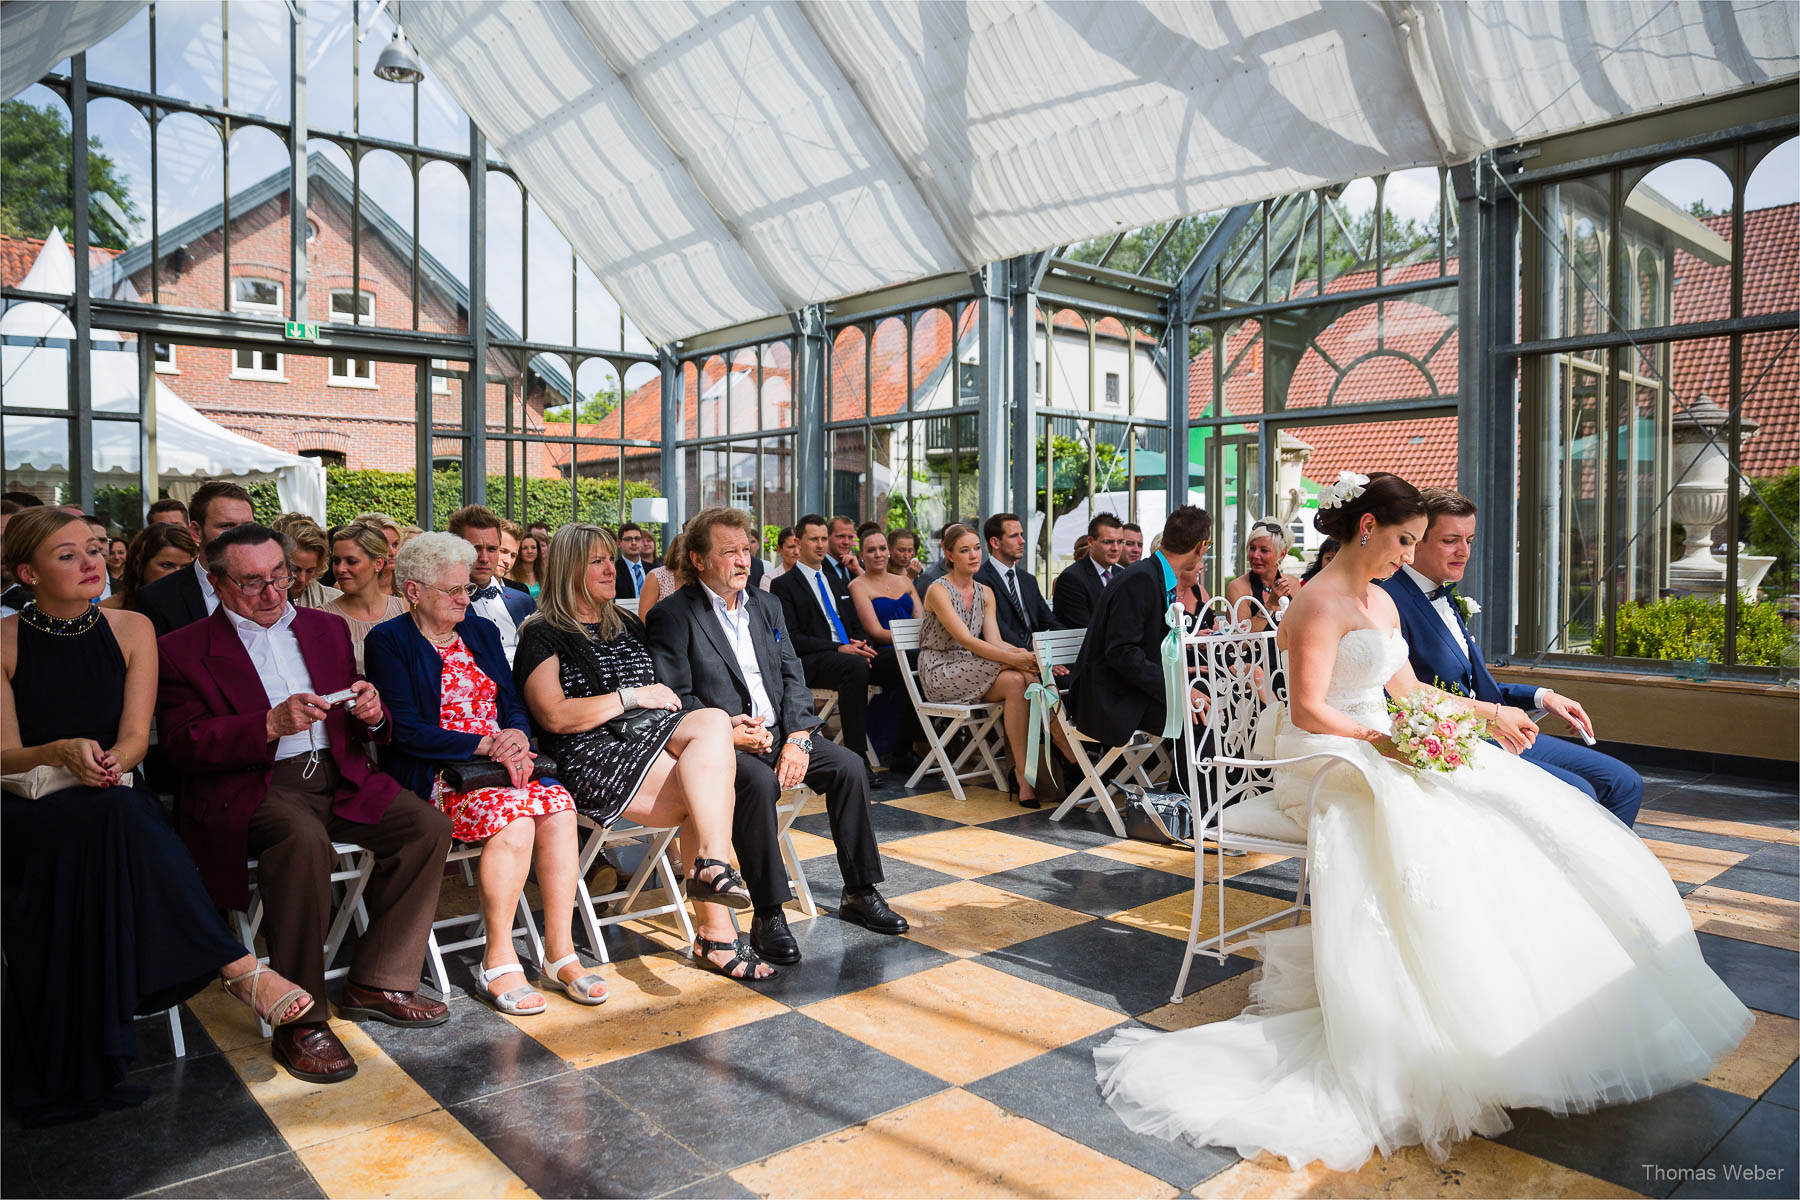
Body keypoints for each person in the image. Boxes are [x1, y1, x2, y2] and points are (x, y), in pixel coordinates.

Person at [1094, 473, 1748, 1172]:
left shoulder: (1380, 602)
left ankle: (1505, 1014)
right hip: (1324, 755)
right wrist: (1384, 743)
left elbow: (1409, 694)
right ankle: (1422, 1020)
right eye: (1404, 541)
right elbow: (1311, 708)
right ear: (1368, 525)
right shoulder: (1318, 601)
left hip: (1381, 736)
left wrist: (1486, 715)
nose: (1406, 556)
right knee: (1431, 819)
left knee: (1511, 807)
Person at [1, 510, 315, 1126]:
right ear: (26, 572)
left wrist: (109, 762)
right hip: (30, 805)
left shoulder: (133, 627)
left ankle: (232, 973)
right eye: (68, 556)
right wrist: (61, 752)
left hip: (112, 791)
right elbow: (4, 753)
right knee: (117, 818)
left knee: (117, 809)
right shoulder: (3, 641)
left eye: (94, 548)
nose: (92, 562)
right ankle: (241, 968)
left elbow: (138, 740)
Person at [157, 524, 453, 1086]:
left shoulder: (325, 626)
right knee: (301, 842)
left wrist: (372, 710)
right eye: (253, 583)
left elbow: (362, 706)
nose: (272, 593)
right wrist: (266, 725)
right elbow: (178, 747)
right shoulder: (183, 648)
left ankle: (376, 979)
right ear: (217, 583)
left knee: (426, 826)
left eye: (281, 577)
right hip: (257, 785)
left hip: (340, 774)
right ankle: (303, 1016)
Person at [647, 507, 906, 968]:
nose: (743, 560)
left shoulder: (767, 605)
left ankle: (860, 891)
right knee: (758, 784)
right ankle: (768, 914)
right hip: (723, 745)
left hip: (784, 732)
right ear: (699, 559)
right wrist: (728, 731)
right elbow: (677, 696)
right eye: (729, 552)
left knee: (848, 767)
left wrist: (800, 738)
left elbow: (792, 678)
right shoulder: (673, 615)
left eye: (746, 549)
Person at [515, 524, 772, 981]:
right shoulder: (542, 632)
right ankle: (716, 930)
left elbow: (665, 703)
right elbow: (553, 716)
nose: (611, 568)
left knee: (715, 722)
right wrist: (631, 696)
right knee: (706, 793)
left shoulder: (627, 623)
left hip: (652, 739)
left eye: (611, 558)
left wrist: (724, 727)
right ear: (568, 569)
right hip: (592, 755)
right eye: (597, 560)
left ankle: (712, 870)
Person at [362, 534, 603, 1013]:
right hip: (440, 772)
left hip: (501, 762)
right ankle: (499, 960)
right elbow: (406, 730)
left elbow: (511, 700)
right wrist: (485, 743)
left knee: (559, 809)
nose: (463, 599)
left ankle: (559, 952)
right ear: (413, 591)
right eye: (452, 590)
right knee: (514, 817)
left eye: (466, 590)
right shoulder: (388, 642)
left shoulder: (480, 632)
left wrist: (513, 735)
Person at [1384, 486, 1643, 825]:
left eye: (1470, 540)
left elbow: (1472, 684)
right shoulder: (1388, 599)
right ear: (1417, 542)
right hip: (1451, 738)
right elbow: (1405, 694)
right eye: (1451, 541)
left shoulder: (1443, 593)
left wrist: (1543, 696)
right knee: (1579, 793)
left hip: (1496, 727)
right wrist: (1491, 716)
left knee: (1624, 783)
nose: (1464, 551)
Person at [920, 525, 1071, 807]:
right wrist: (1019, 659)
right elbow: (966, 640)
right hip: (941, 670)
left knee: (1018, 681)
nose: (973, 555)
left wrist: (1027, 655)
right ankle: (1063, 741)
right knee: (1023, 669)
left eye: (976, 548)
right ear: (949, 554)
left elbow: (995, 640)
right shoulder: (938, 590)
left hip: (973, 668)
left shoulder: (985, 592)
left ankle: (1023, 777)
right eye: (965, 550)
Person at [1068, 506, 1214, 794]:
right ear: (1201, 548)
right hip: (1109, 697)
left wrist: (1189, 676)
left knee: (1215, 696)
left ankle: (1190, 802)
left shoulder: (1155, 575)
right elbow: (1123, 652)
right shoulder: (1141, 579)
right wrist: (1180, 690)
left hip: (1131, 688)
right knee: (1200, 716)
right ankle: (1186, 806)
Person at [771, 514, 906, 767]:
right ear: (798, 543)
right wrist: (840, 648)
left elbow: (855, 625)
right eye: (814, 540)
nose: (821, 545)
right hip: (811, 661)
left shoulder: (837, 582)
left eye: (824, 539)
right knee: (852, 667)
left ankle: (902, 749)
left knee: (905, 660)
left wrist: (862, 646)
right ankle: (857, 757)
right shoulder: (783, 585)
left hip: (847, 654)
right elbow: (793, 639)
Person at [130, 480, 256, 636]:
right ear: (196, 531)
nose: (241, 536)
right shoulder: (158, 598)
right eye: (226, 526)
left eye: (247, 526)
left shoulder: (274, 587)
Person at [449, 504, 536, 665]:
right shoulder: (445, 605)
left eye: (492, 549)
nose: (484, 558)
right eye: (475, 549)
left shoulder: (523, 601)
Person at [323, 521, 408, 674]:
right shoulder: (323, 617)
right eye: (336, 561)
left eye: (352, 561)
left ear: (378, 563)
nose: (340, 569)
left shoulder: (404, 608)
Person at [973, 512, 1060, 651]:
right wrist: (1035, 656)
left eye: (1022, 534)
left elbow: (1049, 622)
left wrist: (1057, 652)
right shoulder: (979, 580)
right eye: (1014, 536)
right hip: (1008, 656)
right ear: (995, 542)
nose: (1022, 541)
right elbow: (999, 631)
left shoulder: (1028, 580)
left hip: (1042, 654)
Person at [100, 522, 198, 613]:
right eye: (166, 565)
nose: (177, 574)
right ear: (140, 565)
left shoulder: (198, 607)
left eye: (186, 566)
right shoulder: (106, 612)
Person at [1053, 513, 1124, 627]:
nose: (1115, 548)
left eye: (1120, 542)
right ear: (1090, 541)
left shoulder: (1122, 574)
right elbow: (1083, 629)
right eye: (1108, 542)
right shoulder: (1072, 579)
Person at [1225, 518, 1297, 630]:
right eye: (1252, 548)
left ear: (1282, 554)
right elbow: (1240, 641)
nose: (1255, 556)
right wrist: (1270, 606)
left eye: (1264, 550)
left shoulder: (1292, 584)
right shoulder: (1238, 588)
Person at [271, 514, 343, 610]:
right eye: (294, 569)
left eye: (309, 571)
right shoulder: (255, 600)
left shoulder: (334, 601)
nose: (301, 579)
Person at [353, 512, 404, 596]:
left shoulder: (410, 588)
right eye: (384, 545)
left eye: (395, 544)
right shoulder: (345, 587)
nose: (392, 552)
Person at [634, 533, 685, 614]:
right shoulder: (656, 575)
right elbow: (644, 617)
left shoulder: (699, 577)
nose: (646, 543)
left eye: (649, 540)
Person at [614, 522, 650, 599]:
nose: (633, 543)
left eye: (637, 539)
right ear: (619, 543)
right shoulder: (614, 570)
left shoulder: (653, 569)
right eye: (628, 539)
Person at [509, 528, 546, 597]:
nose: (530, 551)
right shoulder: (511, 575)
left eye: (533, 547)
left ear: (538, 551)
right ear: (519, 551)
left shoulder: (544, 573)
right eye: (525, 548)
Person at [825, 515, 863, 583]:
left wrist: (857, 570)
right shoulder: (818, 567)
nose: (846, 542)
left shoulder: (856, 567)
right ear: (828, 537)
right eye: (841, 536)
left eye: (850, 537)